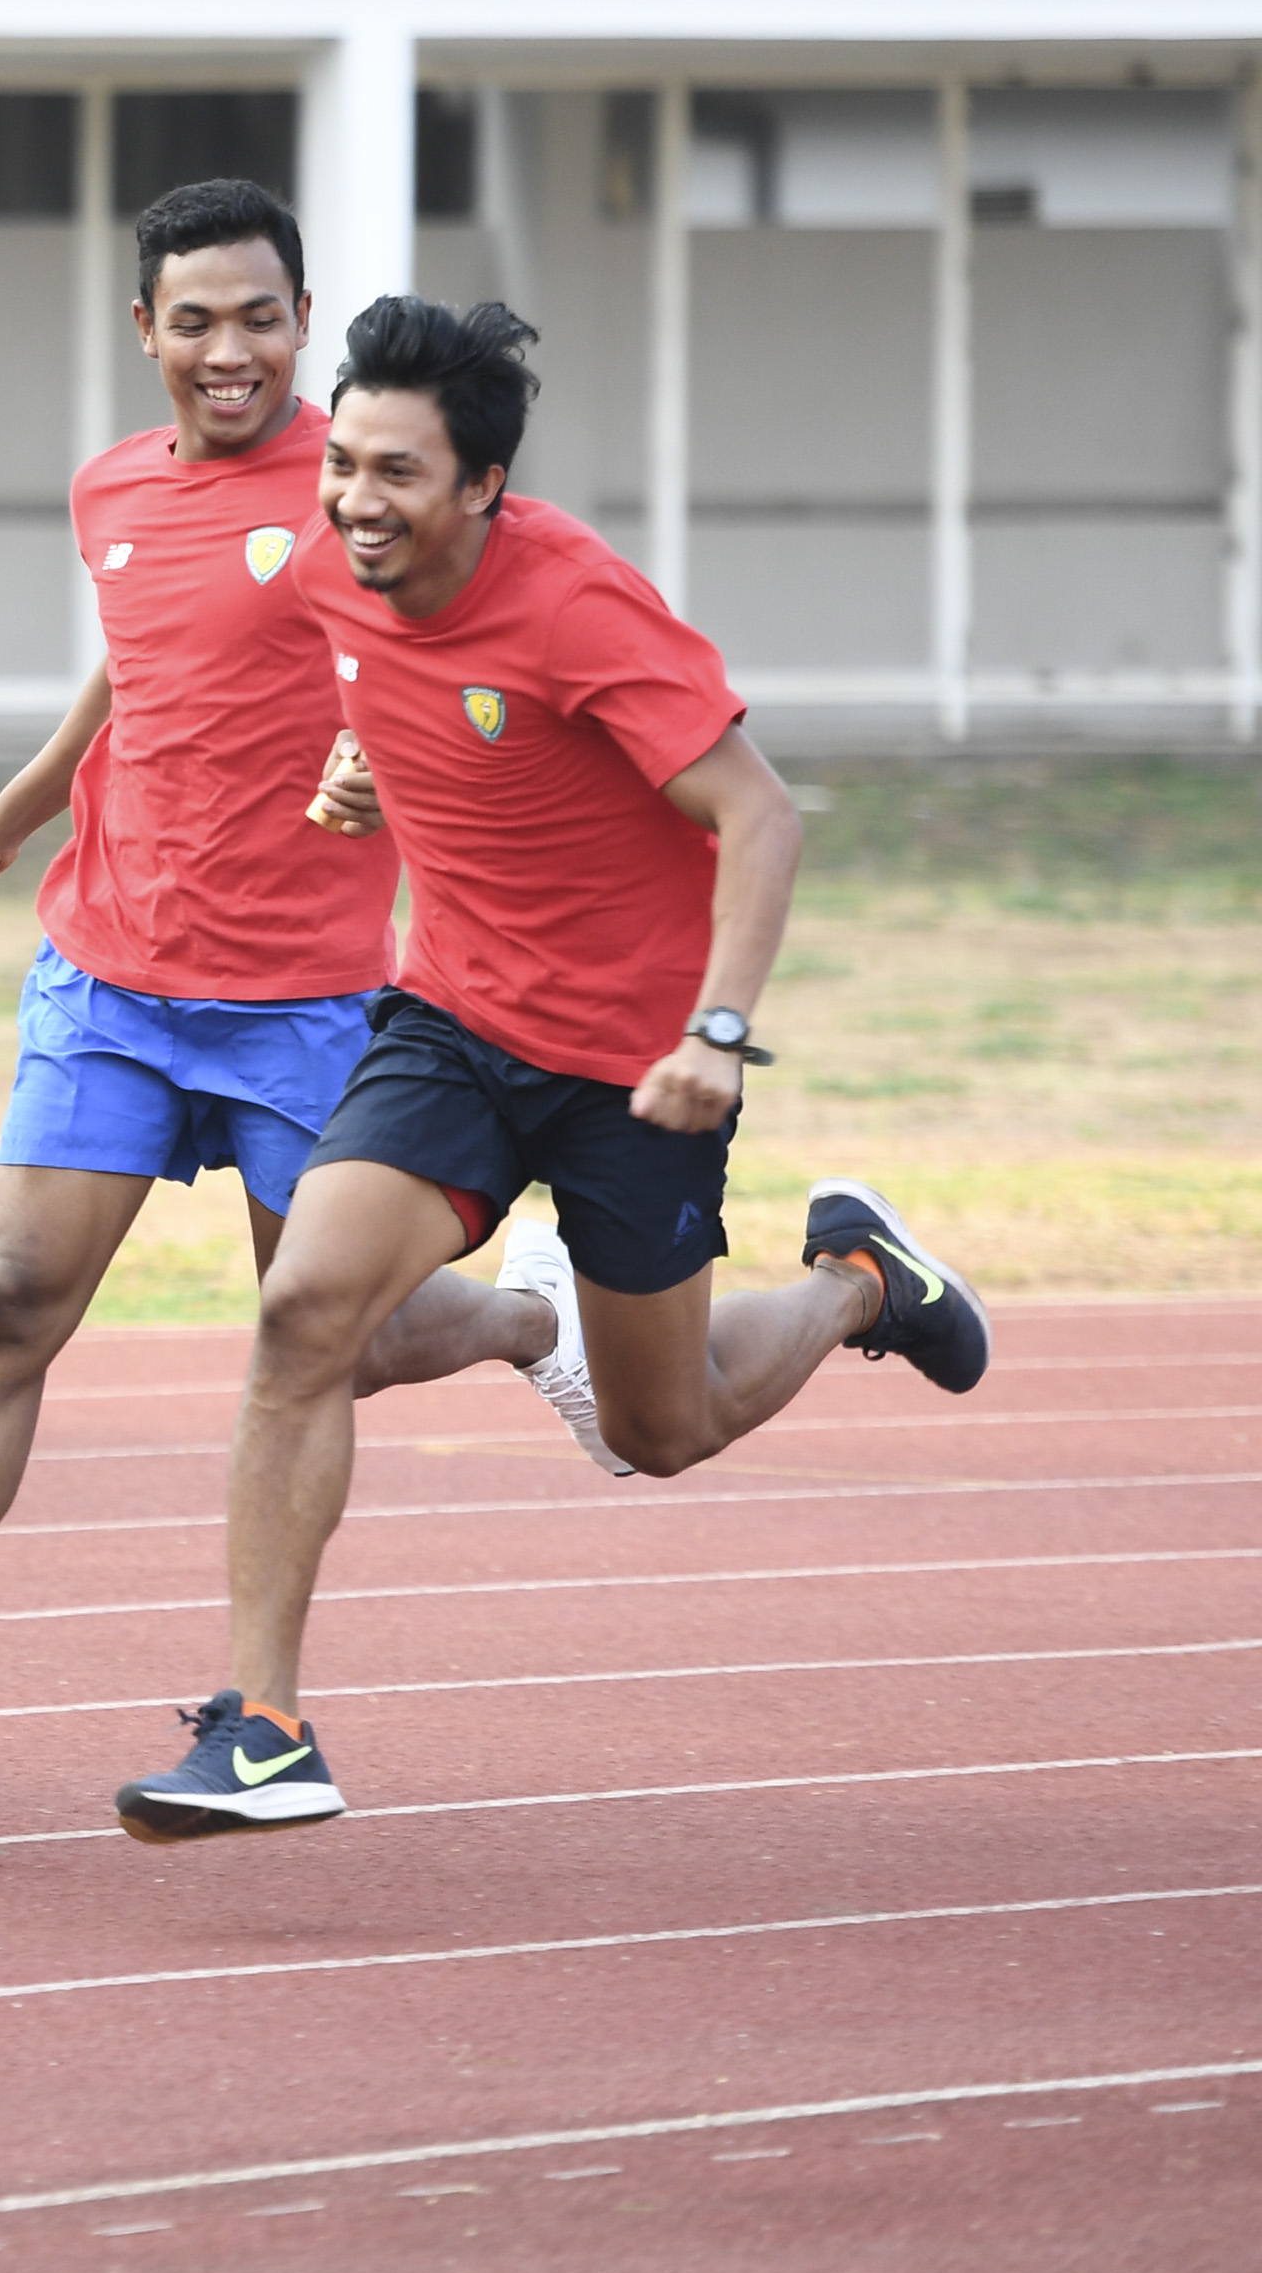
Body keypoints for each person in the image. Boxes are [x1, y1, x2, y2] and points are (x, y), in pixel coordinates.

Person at [0, 181, 584, 1809]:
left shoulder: (365, 491)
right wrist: (1, 822)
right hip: (111, 969)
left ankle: (530, 1316)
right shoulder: (109, 487)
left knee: (348, 1338)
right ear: (147, 332)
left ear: (303, 322)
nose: (231, 348)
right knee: (8, 1303)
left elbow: (471, 668)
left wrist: (379, 755)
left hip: (308, 999)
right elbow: (137, 665)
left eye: (262, 315)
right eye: (195, 318)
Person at [107, 295, 991, 1843]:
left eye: (397, 475)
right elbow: (386, 679)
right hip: (447, 1021)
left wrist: (717, 1033)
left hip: (636, 1063)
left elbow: (761, 812)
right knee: (308, 1310)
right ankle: (265, 1727)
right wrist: (364, 757)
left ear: (482, 489)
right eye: (347, 465)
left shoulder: (581, 605)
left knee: (665, 1429)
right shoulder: (331, 564)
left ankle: (857, 1278)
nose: (354, 501)